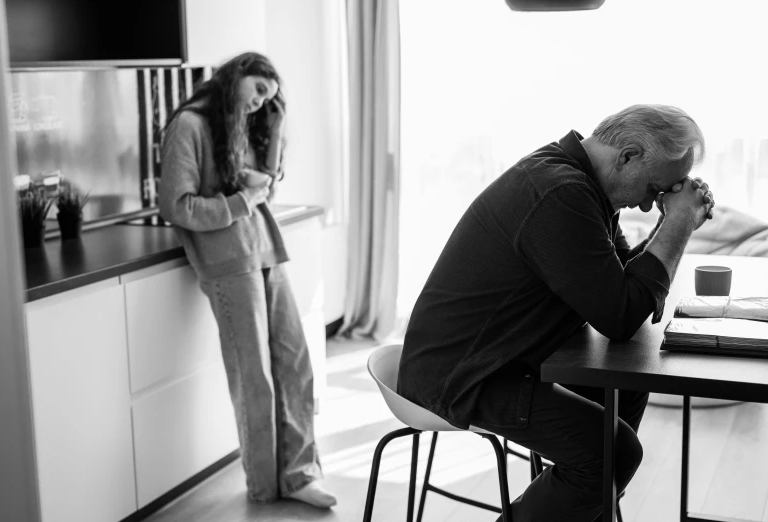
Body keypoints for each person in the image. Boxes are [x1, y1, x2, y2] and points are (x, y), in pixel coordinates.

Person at [396, 104, 714, 521]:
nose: (648, 205)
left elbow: (621, 290)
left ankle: (586, 508)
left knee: (624, 389)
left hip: (509, 357)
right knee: (612, 453)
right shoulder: (560, 192)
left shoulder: (585, 186)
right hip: (466, 372)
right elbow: (619, 316)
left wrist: (673, 223)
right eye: (656, 189)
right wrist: (678, 224)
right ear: (630, 155)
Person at [158, 51, 336, 509]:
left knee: (296, 366)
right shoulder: (190, 126)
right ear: (237, 76)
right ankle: (264, 488)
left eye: (268, 99)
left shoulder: (235, 126)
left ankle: (299, 477)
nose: (259, 103)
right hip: (228, 263)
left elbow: (266, 184)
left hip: (266, 253)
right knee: (255, 380)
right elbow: (178, 206)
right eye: (258, 91)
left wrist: (274, 129)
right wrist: (241, 202)